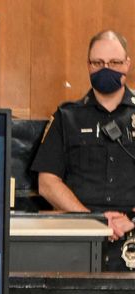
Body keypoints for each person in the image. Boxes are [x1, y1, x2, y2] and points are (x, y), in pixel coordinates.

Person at [31, 30, 135, 271]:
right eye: (98, 63)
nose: (106, 68)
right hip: (79, 236)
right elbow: (47, 181)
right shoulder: (67, 117)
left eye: (115, 63)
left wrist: (130, 220)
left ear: (127, 64)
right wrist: (91, 220)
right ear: (88, 65)